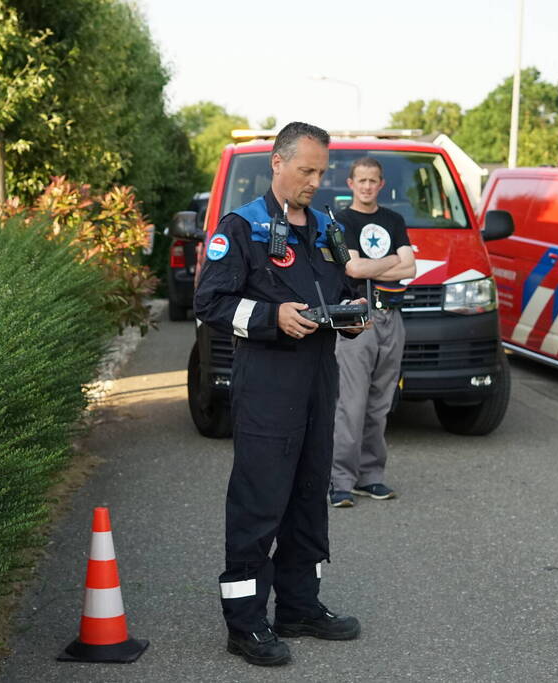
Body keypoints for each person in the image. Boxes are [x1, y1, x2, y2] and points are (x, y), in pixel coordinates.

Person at [193, 122, 368, 667]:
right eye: (305, 170)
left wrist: (354, 316)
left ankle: (299, 606)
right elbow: (210, 303)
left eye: (321, 171)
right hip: (268, 385)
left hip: (318, 380)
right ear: (277, 163)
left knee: (308, 496)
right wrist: (272, 317)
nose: (315, 181)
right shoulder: (241, 226)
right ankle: (245, 623)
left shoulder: (324, 226)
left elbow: (340, 287)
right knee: (260, 501)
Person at [329, 156, 417, 508]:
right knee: (350, 404)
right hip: (356, 318)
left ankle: (371, 477)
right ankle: (340, 482)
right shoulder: (341, 220)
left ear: (382, 184)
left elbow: (411, 266)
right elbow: (352, 268)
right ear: (350, 183)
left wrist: (374, 267)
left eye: (373, 180)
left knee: (380, 404)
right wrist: (391, 262)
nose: (367, 186)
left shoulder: (393, 220)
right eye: (361, 180)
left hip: (391, 319)